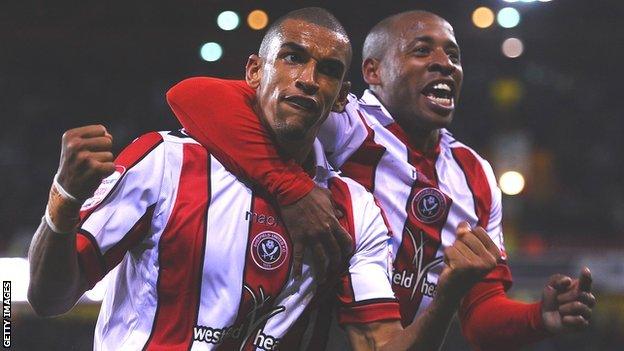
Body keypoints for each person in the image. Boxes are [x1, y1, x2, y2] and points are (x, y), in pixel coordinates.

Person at [27, 8, 503, 351]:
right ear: (254, 72)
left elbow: (381, 347)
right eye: (292, 59)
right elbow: (48, 299)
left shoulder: (355, 212)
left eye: (329, 71)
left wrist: (450, 292)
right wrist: (63, 201)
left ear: (342, 99)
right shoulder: (165, 162)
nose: (308, 79)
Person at [166, 10, 597, 350]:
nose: (444, 64)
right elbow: (192, 95)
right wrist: (293, 190)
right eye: (422, 51)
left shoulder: (476, 176)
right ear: (373, 72)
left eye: (453, 55)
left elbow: (481, 319)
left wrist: (538, 318)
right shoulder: (345, 121)